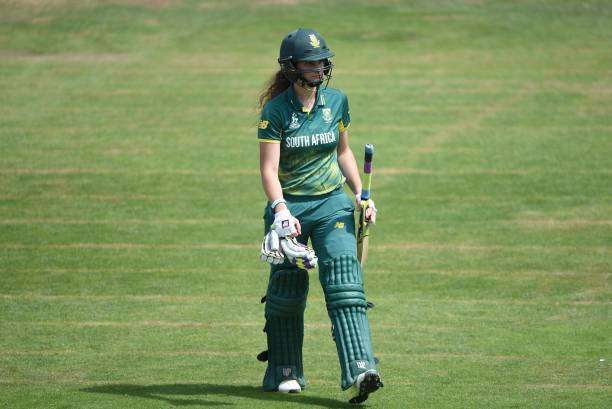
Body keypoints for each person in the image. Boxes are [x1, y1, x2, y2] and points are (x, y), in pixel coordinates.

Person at [257, 28, 383, 404]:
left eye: (321, 60)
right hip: (290, 207)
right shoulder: (276, 111)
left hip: (332, 205)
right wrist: (280, 211)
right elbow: (268, 169)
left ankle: (361, 368)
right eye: (311, 62)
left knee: (345, 283)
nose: (319, 66)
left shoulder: (337, 101)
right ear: (291, 67)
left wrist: (361, 195)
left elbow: (343, 152)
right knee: (287, 291)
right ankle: (285, 369)